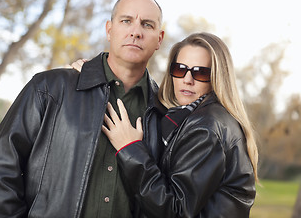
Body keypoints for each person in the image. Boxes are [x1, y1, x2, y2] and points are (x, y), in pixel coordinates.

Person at [0, 0, 164, 218]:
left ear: (159, 39)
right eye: (126, 21)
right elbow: (0, 170)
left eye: (147, 24)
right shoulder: (49, 88)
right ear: (109, 29)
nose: (136, 31)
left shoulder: (164, 114)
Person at [101, 32, 259, 217]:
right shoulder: (187, 118)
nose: (187, 79)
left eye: (200, 72)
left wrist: (130, 149)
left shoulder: (206, 127)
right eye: (180, 69)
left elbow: (176, 210)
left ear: (217, 77)